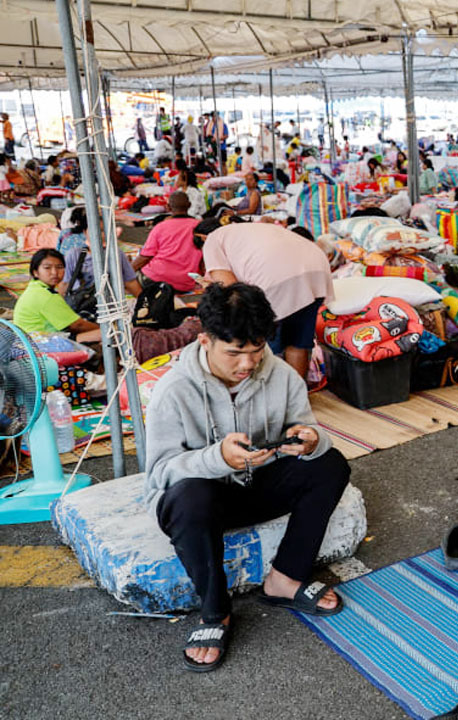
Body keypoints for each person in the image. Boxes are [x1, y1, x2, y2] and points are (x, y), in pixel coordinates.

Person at [145, 282, 350, 672]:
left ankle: (285, 580)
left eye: (256, 351)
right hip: (205, 504)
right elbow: (160, 473)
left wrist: (309, 440)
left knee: (331, 463)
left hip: (259, 485)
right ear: (205, 340)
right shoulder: (173, 390)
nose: (247, 364)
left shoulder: (283, 375)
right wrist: (216, 458)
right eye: (235, 352)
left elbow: (306, 426)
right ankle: (215, 612)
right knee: (189, 497)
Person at [197, 216, 333, 378]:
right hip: (317, 267)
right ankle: (298, 396)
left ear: (203, 238)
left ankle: (271, 395)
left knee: (265, 347)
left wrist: (211, 290)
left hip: (275, 279)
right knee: (298, 342)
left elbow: (230, 291)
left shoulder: (212, 240)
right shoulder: (248, 230)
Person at [14, 249, 100, 341]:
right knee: (105, 335)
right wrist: (102, 329)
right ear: (35, 272)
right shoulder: (46, 296)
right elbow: (77, 325)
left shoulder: (35, 288)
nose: (54, 272)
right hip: (42, 345)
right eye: (47, 268)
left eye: (59, 267)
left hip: (29, 341)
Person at [134, 193, 202, 292]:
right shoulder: (199, 226)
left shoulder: (161, 227)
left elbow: (145, 257)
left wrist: (128, 270)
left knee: (130, 280)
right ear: (189, 205)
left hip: (156, 280)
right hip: (185, 283)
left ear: (168, 207)